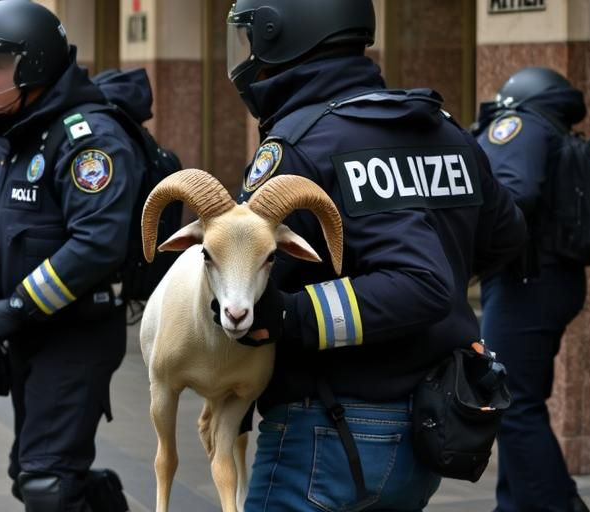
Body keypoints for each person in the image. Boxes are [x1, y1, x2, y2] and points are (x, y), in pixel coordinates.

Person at [223, 1, 528, 510]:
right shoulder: (444, 131)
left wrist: (290, 314)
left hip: (327, 428)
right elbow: (505, 236)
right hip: (426, 429)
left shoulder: (300, 144)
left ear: (281, 34)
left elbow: (419, 283)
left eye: (249, 36)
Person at [0, 1, 139, 509]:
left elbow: (97, 244)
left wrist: (14, 307)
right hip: (31, 333)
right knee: (31, 473)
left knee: (45, 483)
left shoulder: (89, 139)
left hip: (77, 334)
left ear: (32, 65)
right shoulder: (17, 136)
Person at [474, 67, 590, 512]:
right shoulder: (556, 132)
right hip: (552, 281)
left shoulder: (519, 126)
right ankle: (518, 504)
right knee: (521, 399)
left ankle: (559, 505)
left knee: (514, 403)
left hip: (525, 283)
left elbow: (514, 193)